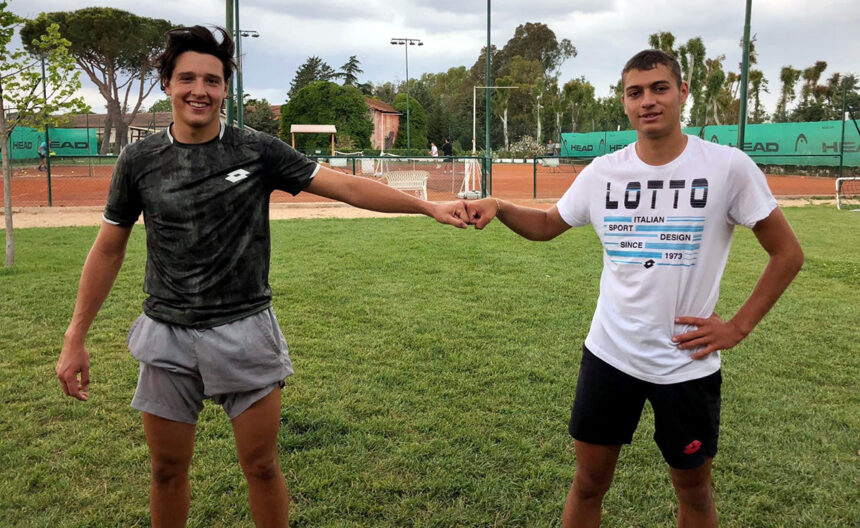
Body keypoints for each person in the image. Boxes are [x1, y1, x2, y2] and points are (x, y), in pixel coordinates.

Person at [55, 25, 467, 528]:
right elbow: (108, 248)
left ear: (226, 87)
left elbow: (346, 187)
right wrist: (75, 336)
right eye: (187, 77)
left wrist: (427, 208)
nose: (199, 90)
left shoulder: (256, 149)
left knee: (262, 466)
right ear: (167, 82)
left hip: (245, 330)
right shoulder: (139, 159)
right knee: (165, 470)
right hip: (166, 332)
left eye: (212, 79)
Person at [464, 49, 803, 528]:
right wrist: (498, 205)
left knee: (696, 494)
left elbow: (787, 253)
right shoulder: (604, 172)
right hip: (609, 356)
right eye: (635, 92)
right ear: (624, 102)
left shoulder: (728, 168)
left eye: (660, 88)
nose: (648, 100)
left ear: (682, 93)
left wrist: (738, 326)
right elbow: (545, 225)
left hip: (686, 365)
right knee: (587, 485)